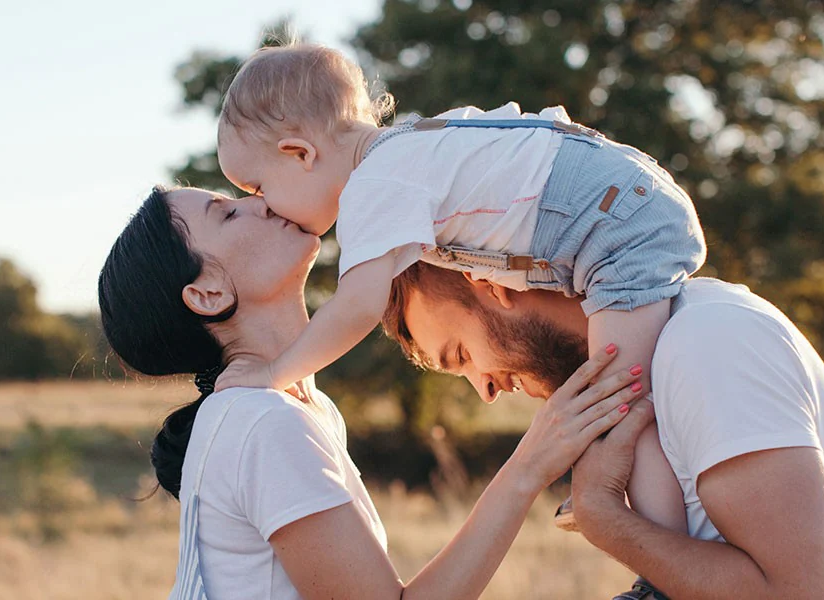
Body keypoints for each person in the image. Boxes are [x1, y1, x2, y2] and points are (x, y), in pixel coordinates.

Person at [207, 44, 705, 597]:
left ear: (300, 152)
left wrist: (274, 372)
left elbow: (356, 306)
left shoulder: (372, 188)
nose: (266, 210)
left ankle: (665, 578)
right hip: (626, 197)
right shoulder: (417, 141)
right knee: (622, 405)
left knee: (619, 406)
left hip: (618, 227)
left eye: (258, 190)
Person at [98, 186, 649, 600]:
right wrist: (529, 465)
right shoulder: (259, 420)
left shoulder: (297, 409)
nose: (260, 201)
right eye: (228, 212)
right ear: (208, 293)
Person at [382, 260, 824, 599]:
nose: (485, 390)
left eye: (464, 355)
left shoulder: (706, 340)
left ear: (490, 284)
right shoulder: (674, 352)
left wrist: (605, 519)